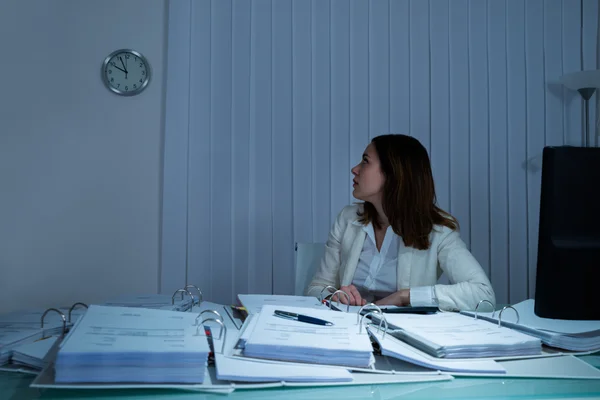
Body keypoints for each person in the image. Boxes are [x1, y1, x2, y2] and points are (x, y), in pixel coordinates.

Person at [305, 134, 495, 311]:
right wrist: (334, 296)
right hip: (347, 331)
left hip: (402, 336)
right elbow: (317, 288)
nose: (354, 169)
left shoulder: (438, 231)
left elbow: (483, 295)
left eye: (365, 161)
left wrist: (406, 297)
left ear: (393, 174)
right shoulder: (347, 218)